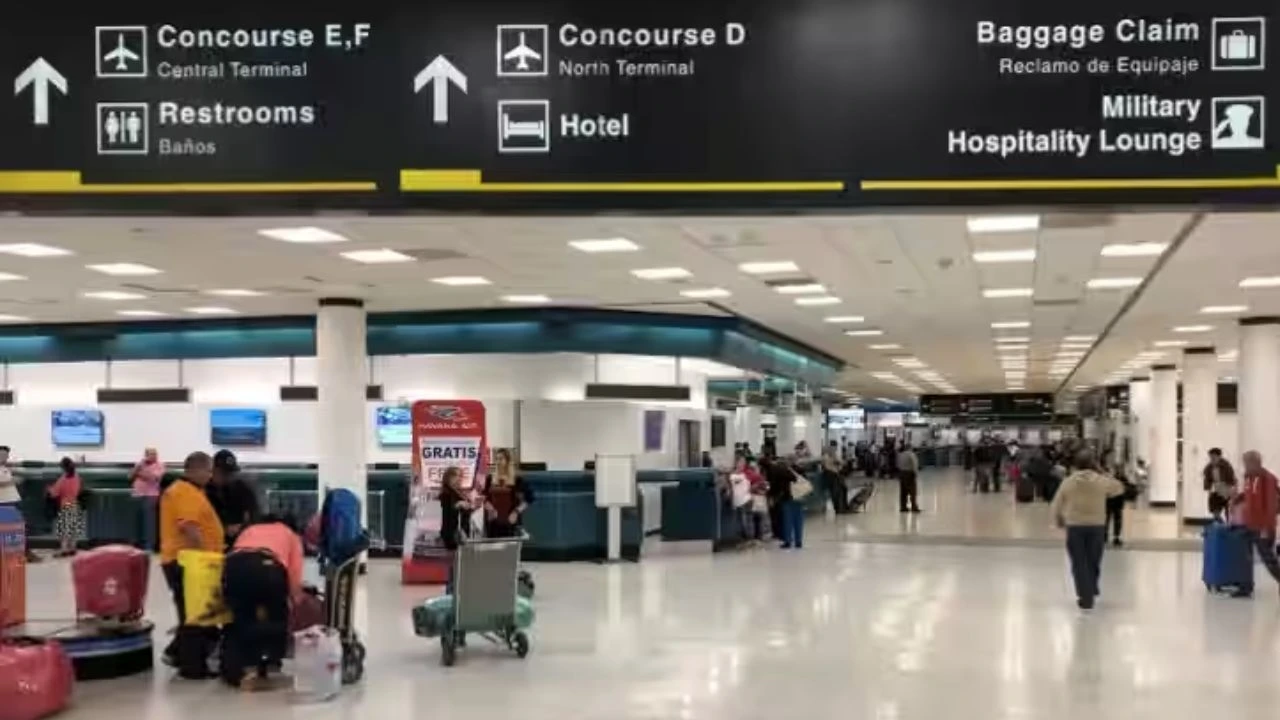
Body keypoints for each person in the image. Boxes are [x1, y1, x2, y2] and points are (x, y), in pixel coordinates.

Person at [221, 514, 305, 690]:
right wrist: (296, 600)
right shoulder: (290, 535)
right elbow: (294, 577)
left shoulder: (250, 530)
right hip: (267, 566)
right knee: (277, 616)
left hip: (233, 566)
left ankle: (234, 670)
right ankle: (270, 663)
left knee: (239, 619)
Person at [159, 451, 225, 667]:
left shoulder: (190, 491)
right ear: (194, 470)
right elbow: (189, 527)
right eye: (208, 471)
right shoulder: (184, 492)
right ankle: (191, 665)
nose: (210, 475)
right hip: (187, 562)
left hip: (186, 561)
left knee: (191, 612)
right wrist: (205, 559)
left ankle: (178, 654)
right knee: (193, 615)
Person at [1050, 451, 1125, 610]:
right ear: (1093, 464)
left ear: (1075, 465)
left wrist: (1058, 519)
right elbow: (1119, 488)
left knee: (1078, 562)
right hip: (1097, 526)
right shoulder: (1101, 481)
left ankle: (1085, 593)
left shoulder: (1068, 482)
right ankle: (1090, 589)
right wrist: (1103, 472)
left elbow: (1057, 503)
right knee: (1093, 560)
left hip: (1075, 526)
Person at [1229, 450, 1280, 598]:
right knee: (1245, 555)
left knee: (1268, 558)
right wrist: (1236, 500)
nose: (1245, 466)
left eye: (1247, 463)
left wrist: (1266, 526)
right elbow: (1247, 494)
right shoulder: (1249, 478)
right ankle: (1246, 586)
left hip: (1263, 526)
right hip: (1250, 523)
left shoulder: (1268, 479)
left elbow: (1272, 505)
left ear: (1256, 462)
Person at [206, 450, 259, 546]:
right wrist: (223, 528)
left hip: (238, 545)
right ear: (213, 470)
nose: (228, 477)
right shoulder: (203, 491)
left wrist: (242, 527)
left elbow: (254, 515)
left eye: (230, 473)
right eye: (224, 473)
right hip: (210, 545)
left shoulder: (241, 489)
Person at [0, 446, 39, 563]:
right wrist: (13, 481)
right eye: (2, 454)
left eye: (6, 455)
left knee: (19, 530)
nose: (4, 457)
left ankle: (22, 554)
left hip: (13, 502)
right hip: (4, 504)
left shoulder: (4, 468)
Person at [439, 466, 474, 593]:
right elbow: (449, 508)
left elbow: (466, 509)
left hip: (462, 531)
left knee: (459, 565)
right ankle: (450, 592)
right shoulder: (447, 493)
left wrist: (471, 506)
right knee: (453, 564)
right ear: (448, 478)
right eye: (456, 476)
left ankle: (457, 591)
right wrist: (459, 505)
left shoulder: (459, 492)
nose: (459, 479)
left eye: (460, 476)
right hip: (452, 532)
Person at [483, 449, 532, 538]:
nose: (498, 462)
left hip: (511, 520)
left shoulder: (517, 479)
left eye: (501, 459)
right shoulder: (490, 478)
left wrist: (516, 512)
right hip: (493, 521)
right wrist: (490, 509)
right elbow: (484, 497)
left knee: (509, 548)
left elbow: (529, 498)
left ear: (508, 461)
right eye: (496, 459)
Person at [46, 457, 84, 557]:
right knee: (73, 527)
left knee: (64, 528)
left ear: (63, 467)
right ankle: (73, 548)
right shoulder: (77, 476)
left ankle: (64, 549)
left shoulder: (63, 478)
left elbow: (54, 493)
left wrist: (48, 489)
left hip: (65, 504)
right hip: (75, 504)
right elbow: (79, 489)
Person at [129, 447, 164, 551]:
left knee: (149, 522)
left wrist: (139, 474)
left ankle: (149, 546)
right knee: (135, 521)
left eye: (155, 454)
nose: (153, 456)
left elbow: (154, 478)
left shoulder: (160, 465)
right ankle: (136, 545)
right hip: (137, 494)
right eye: (151, 454)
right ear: (146, 455)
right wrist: (138, 468)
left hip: (151, 495)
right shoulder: (139, 464)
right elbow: (130, 476)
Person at [1203, 448, 1237, 522]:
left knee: (1228, 512)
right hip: (1215, 491)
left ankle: (1228, 526)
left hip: (1226, 491)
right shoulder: (1209, 467)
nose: (1212, 459)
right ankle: (1219, 525)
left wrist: (1232, 490)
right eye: (1210, 457)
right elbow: (1207, 479)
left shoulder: (1226, 466)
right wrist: (1208, 489)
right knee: (1215, 511)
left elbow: (1232, 479)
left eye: (1214, 457)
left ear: (1219, 457)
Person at [897, 444, 921, 513]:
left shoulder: (900, 455)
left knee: (903, 492)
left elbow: (898, 464)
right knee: (912, 491)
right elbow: (915, 464)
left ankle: (903, 507)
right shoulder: (911, 454)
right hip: (909, 474)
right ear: (910, 448)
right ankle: (914, 507)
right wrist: (916, 473)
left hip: (901, 473)